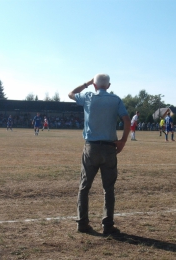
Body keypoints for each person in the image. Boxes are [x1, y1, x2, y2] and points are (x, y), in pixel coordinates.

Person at [68, 74, 130, 235]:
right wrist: (122, 140)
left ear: (94, 85)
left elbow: (70, 93)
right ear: (108, 86)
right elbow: (127, 119)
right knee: (108, 189)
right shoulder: (115, 99)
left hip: (91, 148)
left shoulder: (88, 97)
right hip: (109, 148)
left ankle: (82, 222)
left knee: (84, 187)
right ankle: (107, 225)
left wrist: (87, 83)